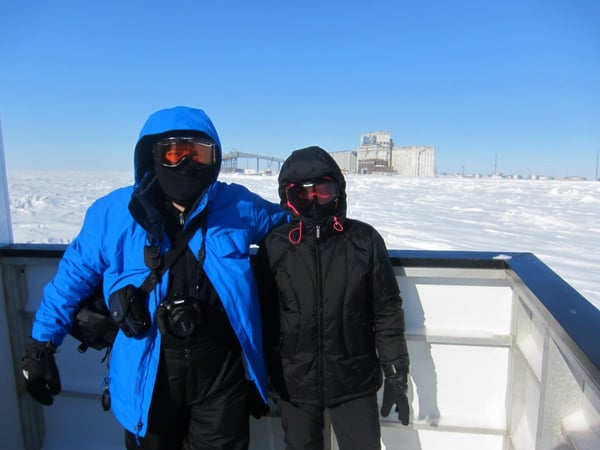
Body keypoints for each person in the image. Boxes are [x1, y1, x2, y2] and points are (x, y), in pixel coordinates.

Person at [21, 106, 286, 450]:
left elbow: (288, 223)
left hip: (220, 375)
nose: (187, 165)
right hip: (148, 373)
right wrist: (40, 348)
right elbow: (70, 280)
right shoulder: (114, 214)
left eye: (199, 154)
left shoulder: (235, 205)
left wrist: (319, 197)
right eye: (175, 153)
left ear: (215, 158)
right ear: (152, 155)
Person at [254, 146, 410, 450]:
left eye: (322, 192)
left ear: (338, 191)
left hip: (354, 379)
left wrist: (395, 370)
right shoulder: (275, 247)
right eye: (303, 194)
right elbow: (258, 317)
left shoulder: (363, 241)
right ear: (289, 197)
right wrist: (254, 378)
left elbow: (386, 309)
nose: (314, 200)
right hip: (294, 381)